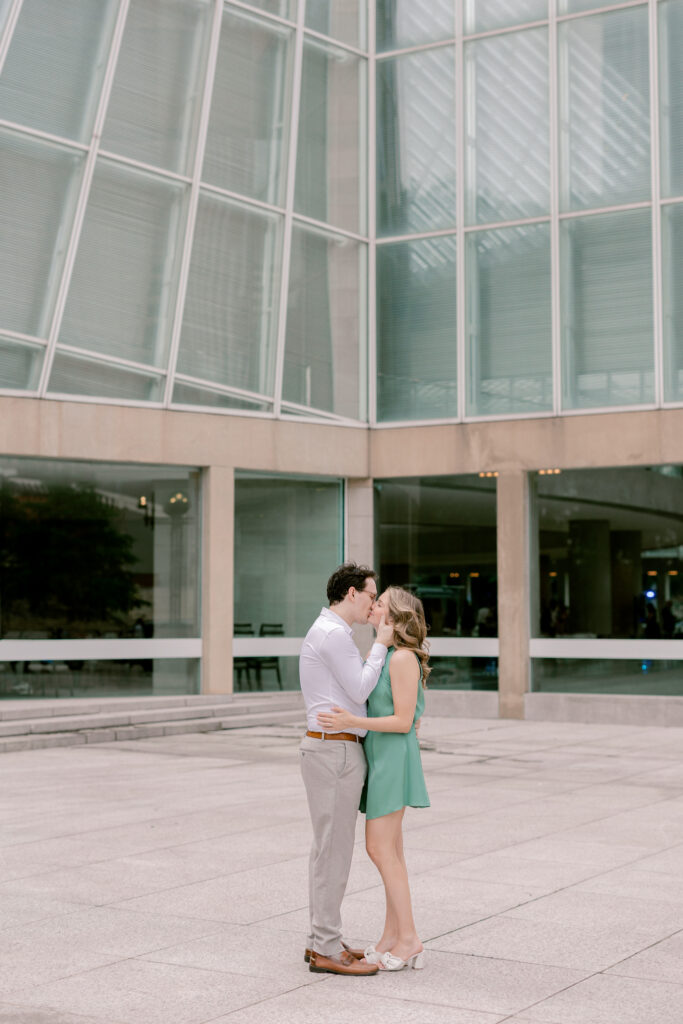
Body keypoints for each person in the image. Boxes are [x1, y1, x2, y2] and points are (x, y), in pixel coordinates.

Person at [318, 586, 430, 972]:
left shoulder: (402, 659)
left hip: (393, 760)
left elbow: (403, 721)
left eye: (380, 603)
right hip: (382, 757)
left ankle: (410, 939)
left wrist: (351, 721)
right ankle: (391, 938)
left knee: (380, 850)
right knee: (391, 852)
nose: (373, 604)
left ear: (394, 617)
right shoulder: (387, 655)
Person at [299, 562, 394, 977]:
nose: (373, 604)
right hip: (333, 751)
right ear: (352, 593)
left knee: (327, 850)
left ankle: (323, 939)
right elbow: (359, 688)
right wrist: (381, 645)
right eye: (371, 595)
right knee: (333, 852)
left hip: (331, 748)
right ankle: (325, 947)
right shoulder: (334, 634)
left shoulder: (329, 631)